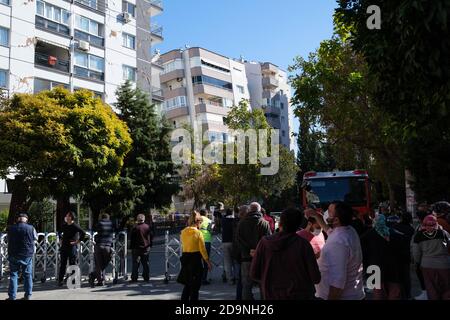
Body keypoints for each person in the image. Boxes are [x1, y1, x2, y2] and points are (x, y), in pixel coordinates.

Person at [250, 207, 321, 300]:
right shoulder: (303, 245)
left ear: (280, 223)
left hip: (272, 294)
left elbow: (254, 273)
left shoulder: (264, 243)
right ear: (299, 225)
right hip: (300, 295)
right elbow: (316, 277)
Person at [312, 201, 365, 300]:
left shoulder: (338, 242)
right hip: (353, 293)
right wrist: (316, 216)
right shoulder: (348, 231)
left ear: (336, 220)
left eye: (329, 211)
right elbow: (328, 230)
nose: (326, 212)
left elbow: (338, 280)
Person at [360, 214, 404, 299]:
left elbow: (363, 252)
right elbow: (400, 250)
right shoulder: (394, 233)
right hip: (393, 266)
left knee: (378, 291)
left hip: (374, 266)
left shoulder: (368, 234)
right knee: (393, 290)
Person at [236, 202, 271, 300]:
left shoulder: (241, 223)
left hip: (246, 258)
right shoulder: (265, 223)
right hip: (262, 259)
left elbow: (238, 241)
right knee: (262, 285)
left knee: (246, 286)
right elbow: (268, 240)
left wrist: (248, 251)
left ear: (249, 210)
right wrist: (258, 251)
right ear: (259, 210)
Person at [412, 215, 450, 300]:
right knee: (447, 288)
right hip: (444, 264)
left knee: (431, 289)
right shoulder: (443, 233)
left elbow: (416, 253)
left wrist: (418, 262)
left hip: (427, 265)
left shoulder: (418, 235)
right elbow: (448, 246)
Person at [178, 211, 212, 301]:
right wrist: (208, 262)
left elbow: (184, 245)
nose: (200, 225)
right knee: (195, 287)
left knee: (187, 285)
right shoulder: (198, 233)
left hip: (185, 259)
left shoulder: (183, 232)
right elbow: (203, 249)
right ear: (198, 222)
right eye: (200, 223)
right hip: (195, 260)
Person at [6, 213, 37, 300]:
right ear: (26, 219)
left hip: (13, 254)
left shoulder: (11, 228)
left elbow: (8, 239)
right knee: (27, 275)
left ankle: (12, 296)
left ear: (18, 219)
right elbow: (36, 238)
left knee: (13, 275)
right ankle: (28, 295)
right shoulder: (31, 228)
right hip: (26, 255)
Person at [389, 212, 415, 299]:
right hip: (406, 255)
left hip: (394, 255)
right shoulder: (411, 229)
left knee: (397, 276)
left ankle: (398, 294)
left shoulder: (394, 227)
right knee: (406, 276)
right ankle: (407, 295)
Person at [58, 211, 86, 286]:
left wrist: (77, 242)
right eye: (66, 216)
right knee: (63, 264)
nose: (66, 217)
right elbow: (59, 232)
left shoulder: (75, 226)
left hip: (71, 247)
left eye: (68, 216)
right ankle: (60, 280)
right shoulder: (64, 225)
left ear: (71, 217)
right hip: (64, 247)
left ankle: (73, 280)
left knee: (72, 263)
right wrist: (60, 239)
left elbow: (83, 233)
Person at [413, 207, 431, 300]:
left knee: (423, 276)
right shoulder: (436, 227)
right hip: (434, 257)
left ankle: (426, 293)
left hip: (424, 256)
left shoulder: (422, 229)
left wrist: (416, 260)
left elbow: (416, 246)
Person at [130, 214, 153, 282]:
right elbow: (151, 237)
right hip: (146, 248)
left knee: (135, 263)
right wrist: (150, 245)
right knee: (145, 263)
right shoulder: (147, 227)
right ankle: (146, 277)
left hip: (136, 248)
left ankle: (134, 278)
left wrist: (131, 247)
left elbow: (132, 238)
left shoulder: (135, 228)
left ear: (137, 219)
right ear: (144, 219)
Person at [93, 213, 114, 286]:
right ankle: (94, 274)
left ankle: (99, 281)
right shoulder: (111, 223)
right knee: (108, 260)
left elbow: (94, 229)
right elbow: (116, 230)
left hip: (99, 245)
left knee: (98, 263)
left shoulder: (99, 223)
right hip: (108, 245)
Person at [232, 205, 248, 300]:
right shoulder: (243, 224)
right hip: (242, 254)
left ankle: (239, 297)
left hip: (237, 253)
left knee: (240, 278)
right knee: (244, 279)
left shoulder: (235, 222)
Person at [221, 208, 237, 284]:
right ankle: (237, 277)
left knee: (227, 262)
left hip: (225, 242)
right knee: (235, 261)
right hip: (234, 242)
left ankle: (229, 279)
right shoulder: (235, 220)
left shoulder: (223, 220)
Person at [199, 209, 213, 285]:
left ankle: (197, 278)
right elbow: (210, 230)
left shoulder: (197, 219)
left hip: (197, 241)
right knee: (206, 260)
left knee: (198, 260)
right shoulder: (209, 220)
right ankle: (204, 279)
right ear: (206, 213)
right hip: (206, 241)